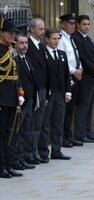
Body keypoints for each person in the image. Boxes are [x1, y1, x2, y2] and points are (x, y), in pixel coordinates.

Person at [38, 28, 72, 160]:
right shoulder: (43, 53)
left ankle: (57, 150)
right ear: (47, 39)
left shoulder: (62, 54)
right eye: (54, 39)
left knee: (58, 122)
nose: (56, 41)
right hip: (48, 93)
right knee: (45, 123)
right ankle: (43, 152)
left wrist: (68, 91)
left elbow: (65, 75)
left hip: (60, 93)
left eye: (58, 39)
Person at [58, 14, 90, 146]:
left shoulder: (71, 39)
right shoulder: (61, 39)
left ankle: (68, 135)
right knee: (65, 109)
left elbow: (75, 56)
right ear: (63, 24)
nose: (72, 26)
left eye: (73, 24)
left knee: (71, 109)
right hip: (68, 76)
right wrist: (73, 71)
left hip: (76, 76)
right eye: (69, 24)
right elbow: (62, 59)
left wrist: (80, 69)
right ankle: (64, 137)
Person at [0, 18, 25, 178]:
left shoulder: (11, 50)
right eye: (9, 33)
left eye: (13, 33)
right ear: (1, 33)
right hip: (1, 97)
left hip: (11, 98)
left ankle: (8, 164)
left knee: (10, 133)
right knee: (1, 134)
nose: (12, 36)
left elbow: (16, 75)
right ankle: (1, 166)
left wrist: (20, 93)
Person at [73, 15, 94, 142]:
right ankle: (80, 134)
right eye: (84, 24)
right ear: (78, 25)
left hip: (92, 79)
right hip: (85, 77)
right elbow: (83, 59)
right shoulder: (76, 38)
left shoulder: (87, 38)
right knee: (83, 106)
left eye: (88, 24)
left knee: (89, 106)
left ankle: (87, 131)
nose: (86, 27)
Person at [11, 33, 37, 170]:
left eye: (26, 43)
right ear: (15, 44)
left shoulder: (27, 58)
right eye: (21, 43)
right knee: (18, 132)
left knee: (27, 130)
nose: (25, 46)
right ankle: (17, 159)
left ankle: (25, 156)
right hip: (20, 102)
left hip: (30, 100)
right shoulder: (14, 60)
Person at [26, 18, 48, 164]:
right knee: (29, 124)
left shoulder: (41, 46)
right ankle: (28, 153)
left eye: (43, 28)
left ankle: (34, 151)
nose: (43, 31)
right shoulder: (27, 46)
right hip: (32, 90)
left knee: (38, 123)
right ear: (32, 29)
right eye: (40, 29)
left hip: (42, 89)